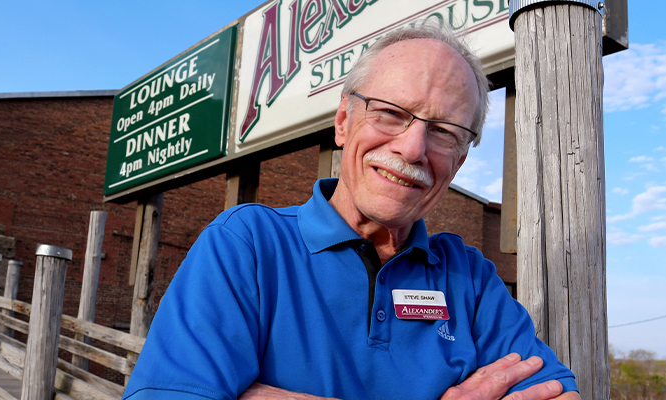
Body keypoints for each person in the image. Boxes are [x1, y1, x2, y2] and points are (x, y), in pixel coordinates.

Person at [123, 23, 581, 400]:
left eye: (444, 131)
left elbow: (558, 395)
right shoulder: (248, 244)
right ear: (343, 122)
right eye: (390, 113)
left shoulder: (471, 280)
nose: (413, 147)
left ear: (459, 160)